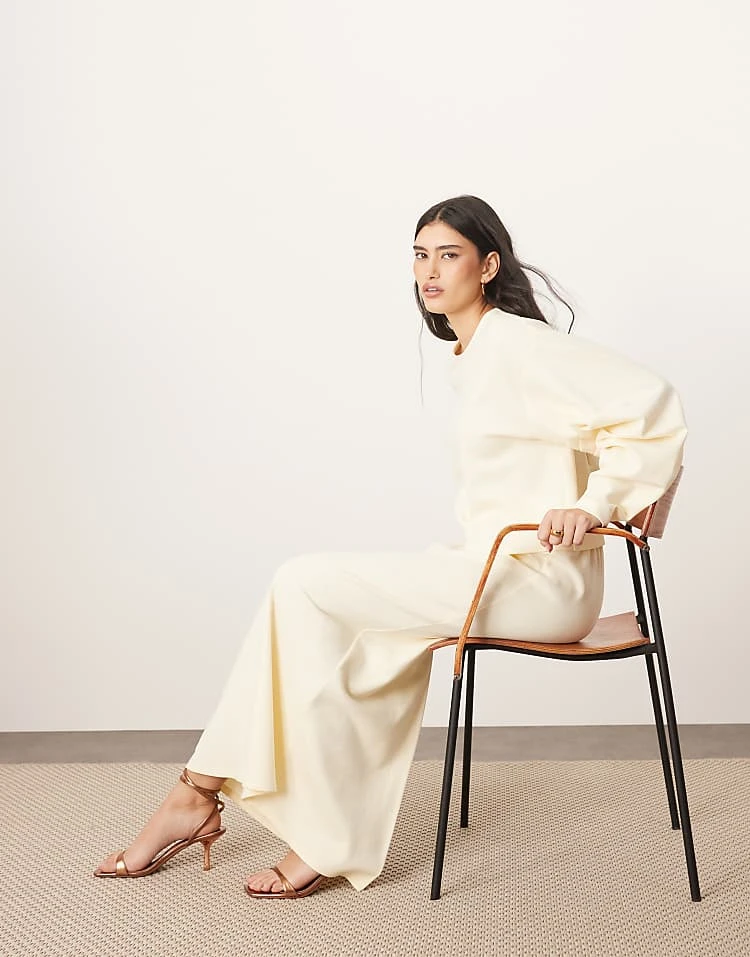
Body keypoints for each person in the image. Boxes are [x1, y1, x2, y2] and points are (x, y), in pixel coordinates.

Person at [94, 195, 687, 899]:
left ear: (487, 266)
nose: (429, 271)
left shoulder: (517, 343)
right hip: (494, 567)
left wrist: (591, 506)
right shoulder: (473, 354)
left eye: (449, 255)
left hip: (539, 581)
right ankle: (232, 802)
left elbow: (652, 403)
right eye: (420, 255)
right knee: (345, 635)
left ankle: (204, 799)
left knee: (302, 582)